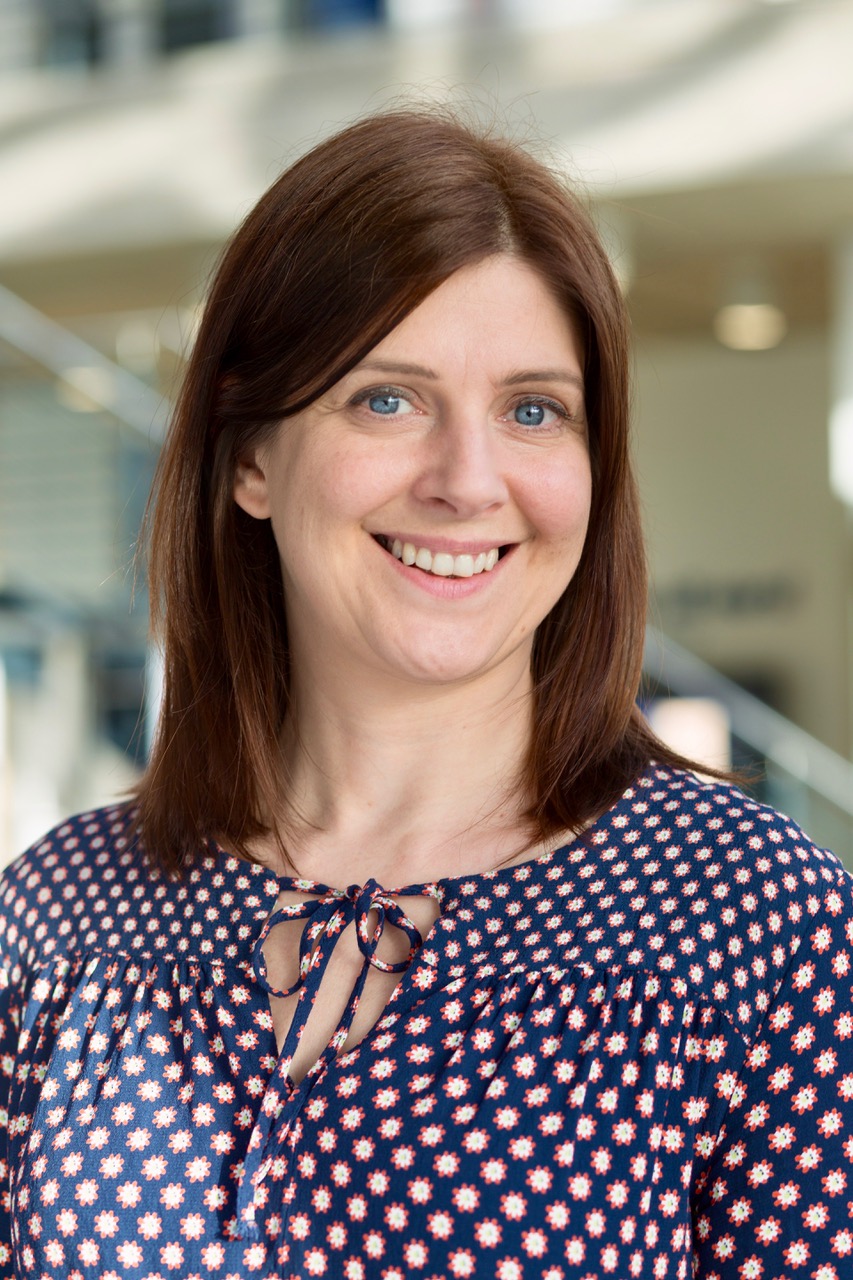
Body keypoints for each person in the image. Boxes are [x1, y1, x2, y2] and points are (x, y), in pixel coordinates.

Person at [1, 108, 851, 1280]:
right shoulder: (59, 914)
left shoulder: (757, 920)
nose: (466, 479)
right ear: (249, 456)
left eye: (532, 410)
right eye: (387, 399)